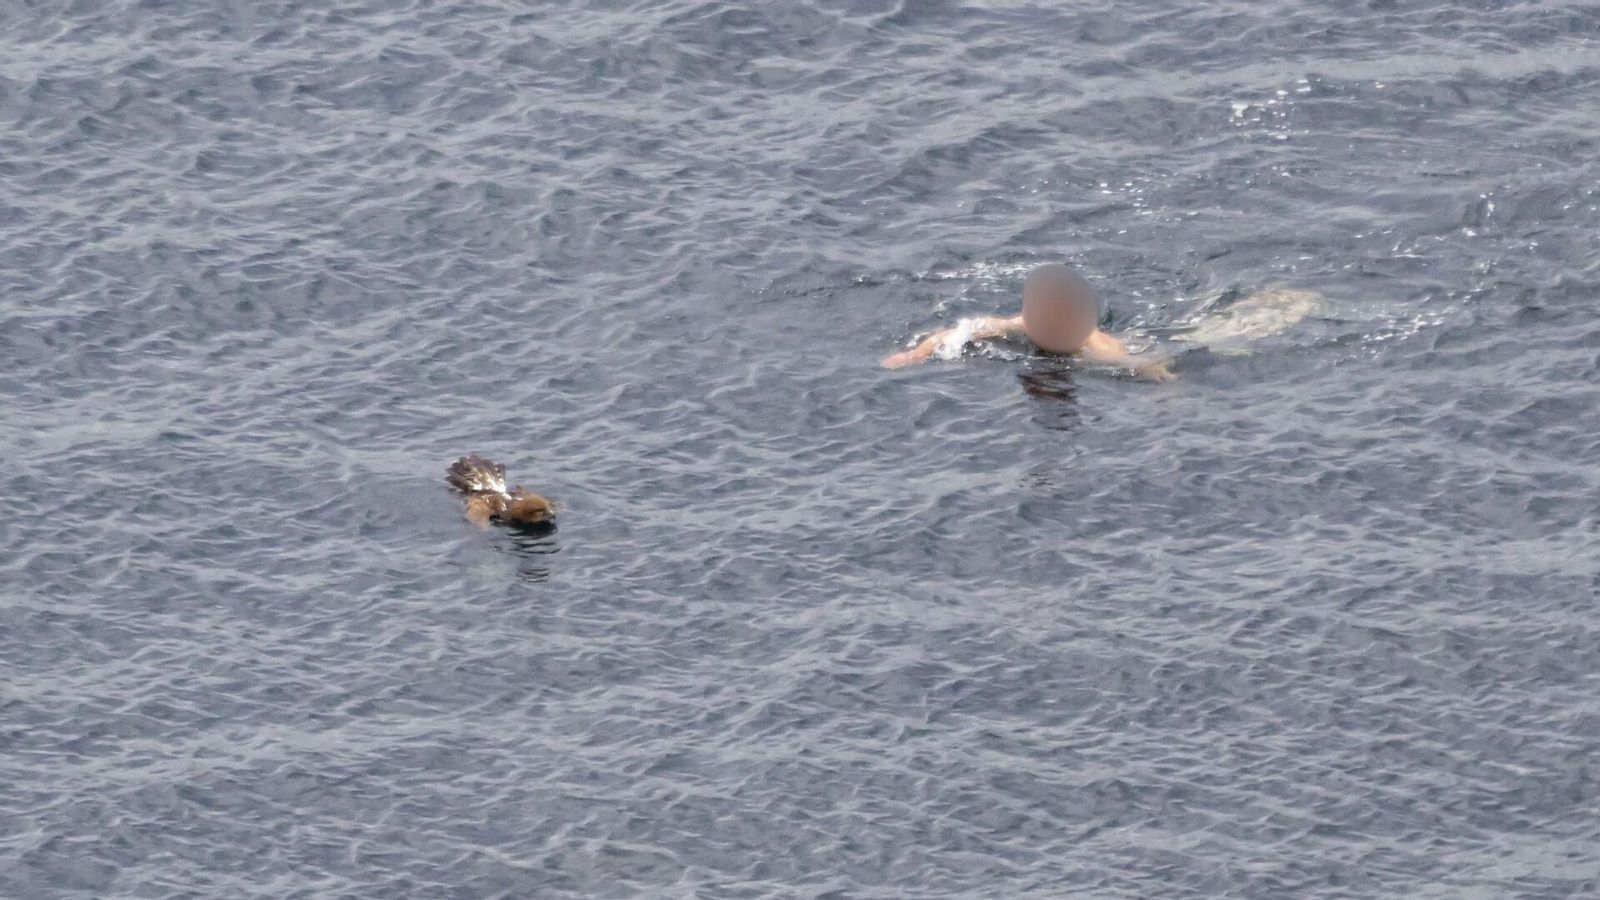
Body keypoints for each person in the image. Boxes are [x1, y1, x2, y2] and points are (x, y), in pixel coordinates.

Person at [880, 263, 1175, 380]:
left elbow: (1142, 365)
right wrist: (916, 354)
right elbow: (958, 333)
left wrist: (1164, 381)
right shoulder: (1021, 325)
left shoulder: (1097, 346)